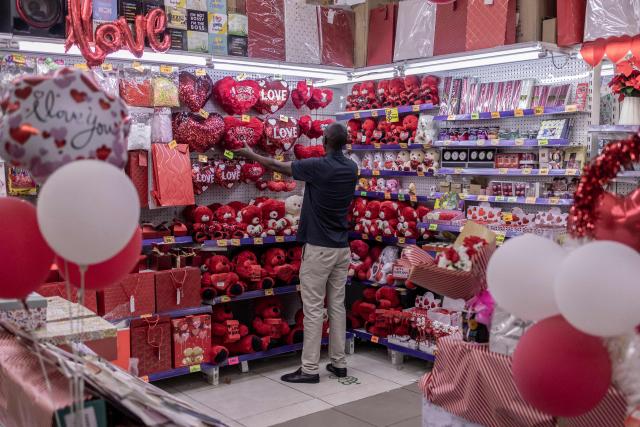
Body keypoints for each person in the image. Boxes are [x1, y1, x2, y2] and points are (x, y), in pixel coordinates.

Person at [233, 122, 357, 383]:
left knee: (312, 309)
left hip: (319, 248)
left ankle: (310, 369)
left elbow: (279, 167)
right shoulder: (351, 168)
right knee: (336, 306)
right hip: (341, 248)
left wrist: (250, 154)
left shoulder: (319, 167)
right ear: (344, 143)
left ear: (324, 141)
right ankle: (339, 363)